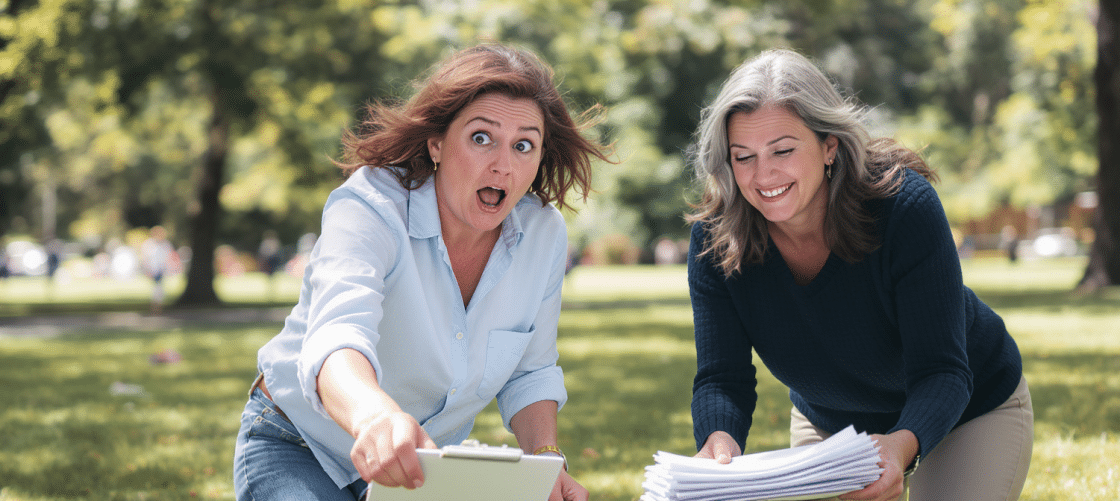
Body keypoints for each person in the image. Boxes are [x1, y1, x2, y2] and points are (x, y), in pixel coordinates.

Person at [232, 43, 611, 501]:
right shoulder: (370, 205)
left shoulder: (543, 233)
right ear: (437, 142)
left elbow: (531, 371)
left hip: (422, 469)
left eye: (523, 145)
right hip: (299, 443)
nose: (503, 164)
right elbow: (336, 337)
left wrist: (546, 458)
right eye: (480, 138)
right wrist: (375, 419)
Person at [685, 49, 1032, 501]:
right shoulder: (716, 239)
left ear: (829, 145)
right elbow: (722, 377)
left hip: (968, 406)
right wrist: (719, 442)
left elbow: (942, 371)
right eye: (743, 156)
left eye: (783, 150)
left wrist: (900, 446)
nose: (763, 174)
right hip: (834, 424)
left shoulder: (904, 208)